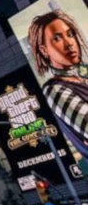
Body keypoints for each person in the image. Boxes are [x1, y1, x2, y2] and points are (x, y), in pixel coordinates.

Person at [31, 9, 88, 158]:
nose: (69, 43)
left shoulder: (84, 75)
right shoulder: (54, 90)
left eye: (70, 34)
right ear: (44, 50)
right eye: (57, 38)